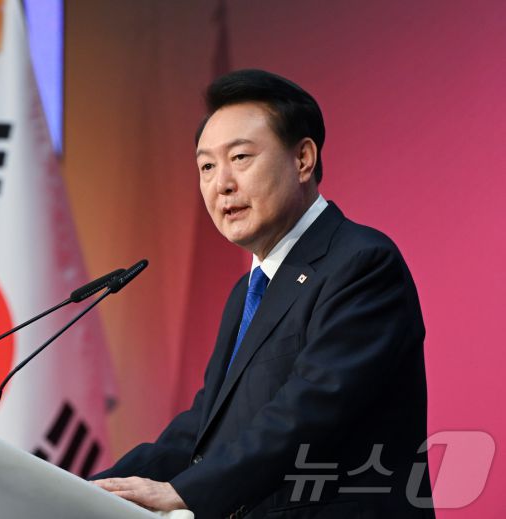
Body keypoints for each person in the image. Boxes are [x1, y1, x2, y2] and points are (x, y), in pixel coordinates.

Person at [92, 69, 434, 519]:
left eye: (240, 157)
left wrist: (186, 492)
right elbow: (204, 428)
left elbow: (308, 411)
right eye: (207, 167)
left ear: (303, 159)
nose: (221, 184)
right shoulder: (248, 292)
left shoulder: (361, 264)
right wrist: (82, 490)